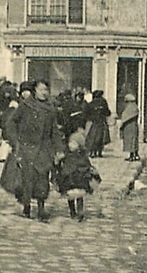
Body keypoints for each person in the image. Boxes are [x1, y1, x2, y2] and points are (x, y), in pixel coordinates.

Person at [10, 80, 63, 221]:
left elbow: (54, 131)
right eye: (41, 90)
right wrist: (16, 142)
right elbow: (12, 123)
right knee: (27, 179)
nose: (44, 92)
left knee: (42, 179)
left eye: (46, 90)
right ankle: (26, 207)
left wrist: (59, 149)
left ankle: (41, 208)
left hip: (44, 149)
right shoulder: (25, 106)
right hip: (27, 148)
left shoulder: (50, 109)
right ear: (35, 90)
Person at [56, 129, 100, 222]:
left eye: (74, 143)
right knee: (70, 197)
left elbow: (87, 165)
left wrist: (89, 170)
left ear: (79, 145)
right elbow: (60, 163)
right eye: (70, 143)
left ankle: (80, 212)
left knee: (80, 196)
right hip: (69, 179)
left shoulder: (82, 156)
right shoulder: (67, 155)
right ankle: (72, 212)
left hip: (79, 179)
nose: (71, 145)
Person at [85, 90, 111, 158]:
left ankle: (92, 152)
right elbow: (108, 112)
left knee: (92, 137)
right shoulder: (103, 102)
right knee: (100, 138)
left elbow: (87, 113)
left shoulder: (91, 103)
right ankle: (99, 152)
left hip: (94, 123)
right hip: (101, 122)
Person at [119, 93, 140, 162]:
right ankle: (135, 154)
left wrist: (121, 125)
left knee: (130, 141)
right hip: (133, 126)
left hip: (129, 127)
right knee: (134, 140)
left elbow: (125, 117)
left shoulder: (130, 108)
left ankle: (132, 155)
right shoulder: (135, 107)